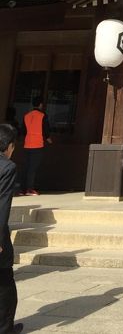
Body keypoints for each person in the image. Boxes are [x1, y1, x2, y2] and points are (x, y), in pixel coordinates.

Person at [0, 123, 22, 334]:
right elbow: (2, 204)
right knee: (5, 279)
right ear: (9, 146)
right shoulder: (7, 167)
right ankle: (5, 328)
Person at [19, 98, 52, 196]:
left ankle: (22, 189)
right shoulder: (42, 115)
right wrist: (49, 138)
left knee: (26, 167)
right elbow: (45, 129)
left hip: (27, 144)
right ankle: (30, 189)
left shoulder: (26, 116)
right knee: (32, 168)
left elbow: (23, 131)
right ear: (41, 105)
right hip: (37, 144)